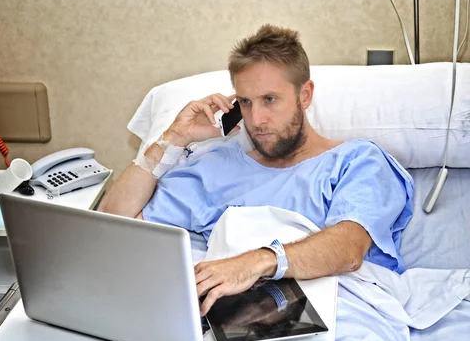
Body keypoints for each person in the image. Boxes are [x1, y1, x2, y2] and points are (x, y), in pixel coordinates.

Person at [98, 24, 413, 317]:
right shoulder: (218, 166)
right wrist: (173, 139)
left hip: (338, 316)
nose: (257, 119)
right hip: (233, 318)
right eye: (246, 102)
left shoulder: (357, 161)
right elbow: (115, 220)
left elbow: (347, 250)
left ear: (305, 95)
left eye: (270, 99)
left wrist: (255, 263)